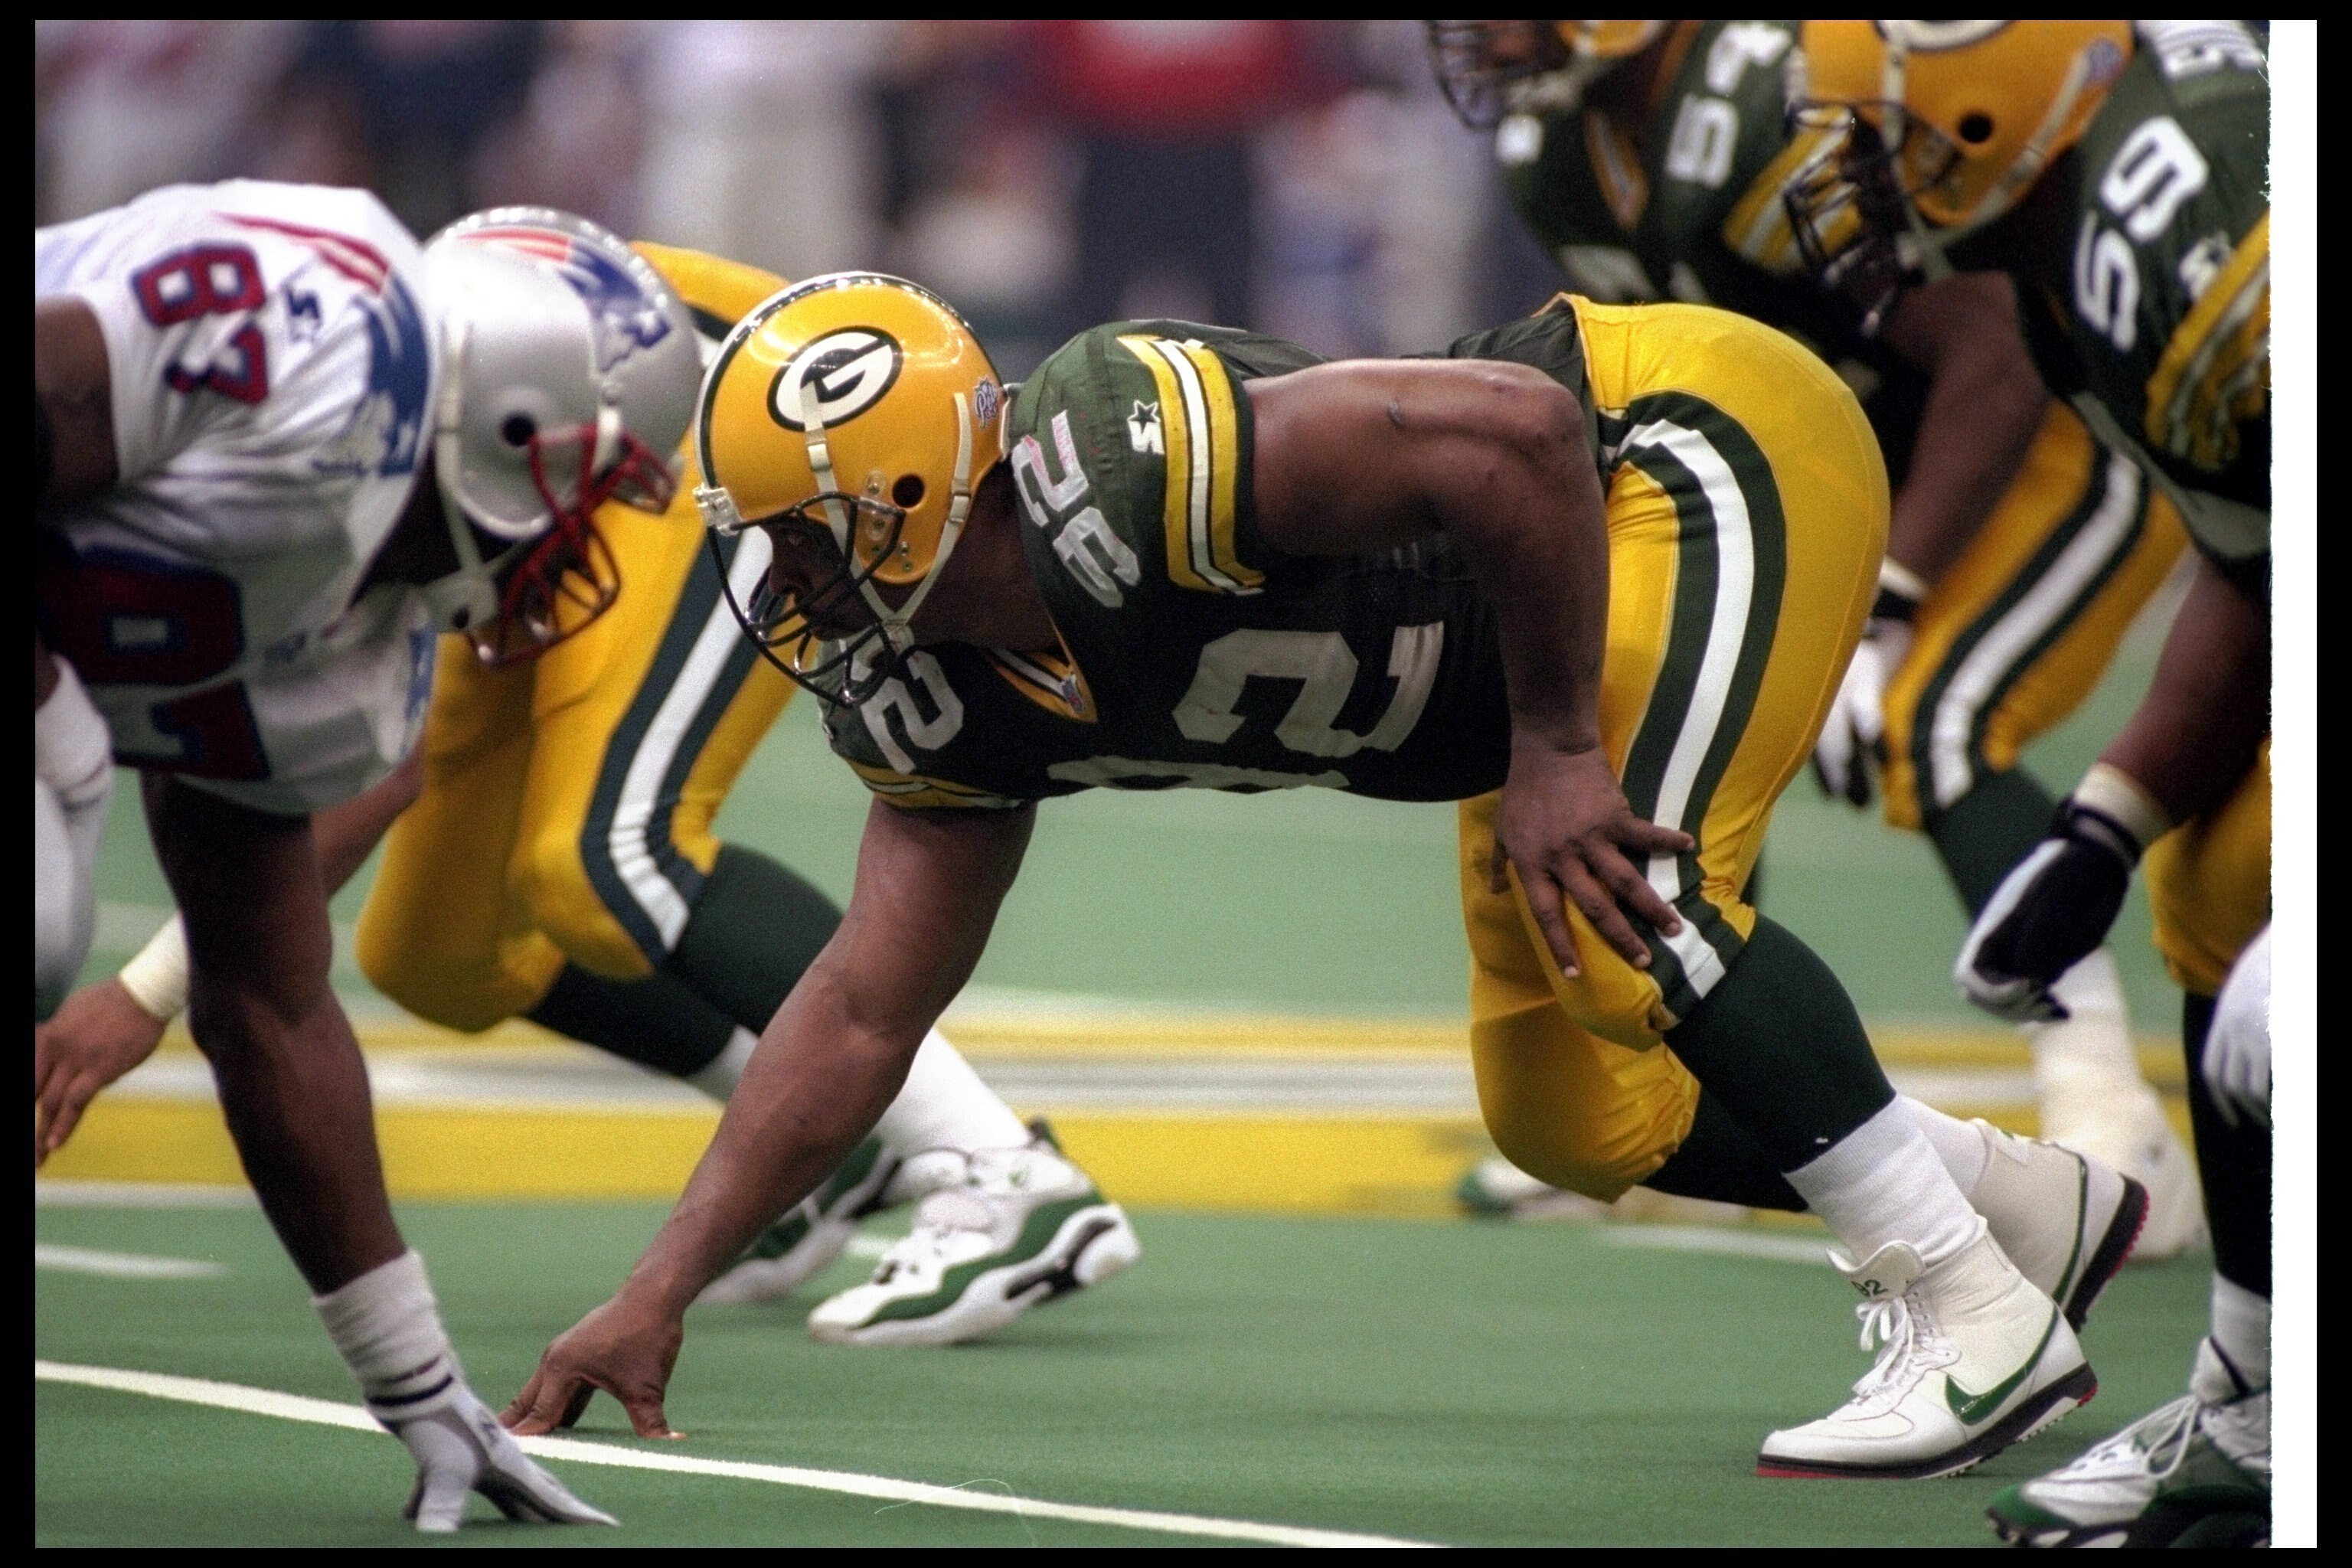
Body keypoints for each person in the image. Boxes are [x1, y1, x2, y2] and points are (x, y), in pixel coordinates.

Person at [502, 271, 2148, 1479]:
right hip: (1531, 640)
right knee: (1575, 1119)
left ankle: (1968, 1308)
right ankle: (2021, 1205)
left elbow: (1521, 432)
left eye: (806, 531)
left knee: (1633, 919)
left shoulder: (1121, 460)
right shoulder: (931, 695)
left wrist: (1558, 743)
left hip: (1680, 456)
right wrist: (659, 1291)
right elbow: (862, 1013)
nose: (781, 574)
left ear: (921, 492)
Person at [38, 223, 1140, 1348]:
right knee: (436, 952)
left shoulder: (246, 443)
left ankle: (1002, 1165)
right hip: (503, 463)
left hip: (711, 434)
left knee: (611, 853)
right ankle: (838, 1150)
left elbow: (368, 761)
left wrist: (139, 995)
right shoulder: (198, 435)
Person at [1426, 18, 2200, 1251]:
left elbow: (1996, 348)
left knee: (1933, 719)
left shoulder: (1762, 112)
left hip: (2041, 432)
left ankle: (2108, 1109)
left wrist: (1892, 599)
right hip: (1848, 458)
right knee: (1663, 708)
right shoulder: (1557, 150)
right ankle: (1690, 1094)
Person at [34, 182, 684, 1529]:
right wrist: (60, 727)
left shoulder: (360, 664)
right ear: (506, 419)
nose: (576, 538)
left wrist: (419, 1384)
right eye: (580, 487)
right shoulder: (317, 331)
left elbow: (265, 1003)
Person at [1786, 19, 2271, 1543]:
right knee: (2214, 880)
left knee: (2272, 984)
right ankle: (2256, 1405)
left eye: (1881, 139)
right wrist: (2109, 822)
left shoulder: (2190, 213)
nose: (1857, 181)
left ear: (1991, 106)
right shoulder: (2076, 254)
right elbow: (2259, 553)